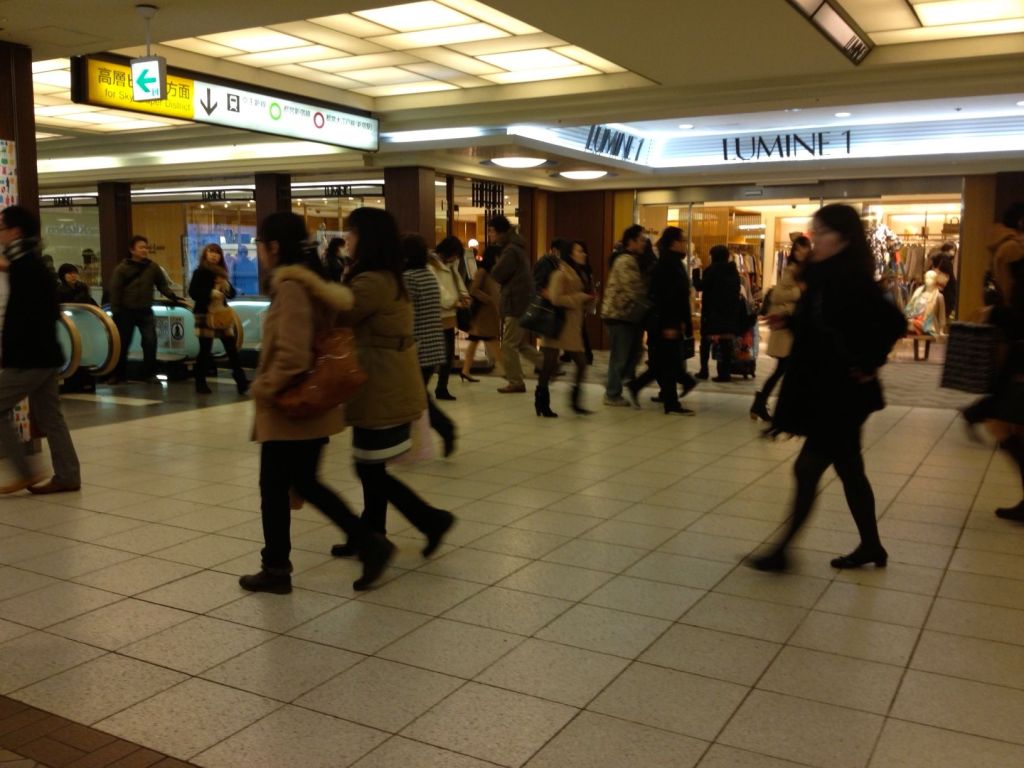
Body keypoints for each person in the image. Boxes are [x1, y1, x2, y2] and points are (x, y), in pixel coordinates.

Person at [241, 212, 393, 594]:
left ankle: (276, 568)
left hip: (290, 406)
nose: (259, 254)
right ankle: (369, 543)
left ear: (274, 247)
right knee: (306, 483)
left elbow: (292, 355)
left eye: (260, 246)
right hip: (314, 404)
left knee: (275, 491)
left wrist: (264, 386)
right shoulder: (317, 282)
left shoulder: (291, 288)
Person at [751, 203, 905, 572]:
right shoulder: (825, 277)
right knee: (850, 469)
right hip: (829, 390)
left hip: (840, 395)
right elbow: (827, 322)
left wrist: (869, 364)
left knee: (808, 468)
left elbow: (892, 322)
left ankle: (782, 551)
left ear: (842, 238)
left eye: (819, 232)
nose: (813, 238)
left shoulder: (849, 278)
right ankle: (871, 546)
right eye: (813, 231)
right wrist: (788, 319)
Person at [331, 207, 455, 560]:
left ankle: (429, 521)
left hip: (380, 383)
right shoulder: (385, 275)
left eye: (350, 233)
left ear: (364, 239)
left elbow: (340, 315)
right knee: (370, 464)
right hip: (384, 378)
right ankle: (373, 534)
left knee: (367, 466)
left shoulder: (371, 281)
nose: (346, 240)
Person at [0, 206, 81, 495]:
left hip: (30, 359)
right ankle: (68, 475)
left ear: (15, 231)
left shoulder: (26, 266)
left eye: (2, 227)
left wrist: (12, 354)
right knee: (51, 418)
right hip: (46, 354)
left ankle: (25, 472)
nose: (1, 233)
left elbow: (26, 317)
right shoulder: (33, 263)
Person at [627, 227, 697, 415]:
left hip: (667, 322)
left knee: (663, 363)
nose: (685, 244)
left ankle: (637, 387)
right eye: (682, 240)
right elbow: (667, 298)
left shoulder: (672, 263)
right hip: (665, 323)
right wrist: (671, 324)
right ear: (674, 243)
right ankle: (671, 402)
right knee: (670, 362)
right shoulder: (667, 265)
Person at [402, 233, 456, 457]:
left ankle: (444, 428)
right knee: (416, 396)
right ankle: (411, 441)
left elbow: (406, 315)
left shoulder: (409, 278)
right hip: (433, 346)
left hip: (417, 347)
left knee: (415, 398)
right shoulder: (428, 274)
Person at [750, 236, 809, 421]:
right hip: (787, 328)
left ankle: (761, 403)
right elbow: (776, 295)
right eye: (798, 249)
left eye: (804, 249)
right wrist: (800, 290)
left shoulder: (805, 271)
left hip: (795, 326)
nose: (801, 253)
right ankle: (763, 403)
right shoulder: (791, 270)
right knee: (784, 369)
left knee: (785, 369)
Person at [535, 240, 595, 418]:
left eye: (584, 251)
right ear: (570, 254)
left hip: (571, 327)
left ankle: (574, 401)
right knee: (549, 366)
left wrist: (589, 299)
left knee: (581, 363)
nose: (583, 254)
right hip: (558, 325)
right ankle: (542, 402)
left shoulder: (580, 273)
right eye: (579, 251)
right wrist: (580, 297)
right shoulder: (561, 273)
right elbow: (555, 298)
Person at [108, 235, 178, 384]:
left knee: (150, 341)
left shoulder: (153, 267)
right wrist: (115, 311)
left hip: (145, 310)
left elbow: (162, 285)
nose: (145, 250)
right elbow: (115, 290)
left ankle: (149, 373)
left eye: (146, 247)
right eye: (141, 247)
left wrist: (173, 296)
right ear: (132, 250)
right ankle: (118, 374)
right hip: (126, 311)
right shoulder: (122, 268)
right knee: (123, 343)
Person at [489, 215, 542, 393]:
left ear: (500, 232)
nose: (490, 235)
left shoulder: (510, 250)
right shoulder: (516, 247)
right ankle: (548, 364)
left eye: (491, 231)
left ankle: (516, 381)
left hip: (515, 302)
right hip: (521, 301)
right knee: (518, 343)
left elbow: (497, 273)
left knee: (508, 344)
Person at [188, 243, 249, 396]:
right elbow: (193, 292)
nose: (214, 255)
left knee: (231, 349)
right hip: (205, 314)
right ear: (205, 254)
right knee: (205, 350)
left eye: (217, 253)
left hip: (221, 315)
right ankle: (200, 382)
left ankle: (241, 382)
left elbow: (232, 294)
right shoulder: (199, 272)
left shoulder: (222, 274)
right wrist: (210, 292)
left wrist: (226, 286)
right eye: (211, 252)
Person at [601, 225, 649, 406]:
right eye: (641, 239)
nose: (644, 243)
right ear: (631, 241)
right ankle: (612, 393)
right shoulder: (625, 261)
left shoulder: (630, 259)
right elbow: (634, 290)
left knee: (634, 353)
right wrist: (649, 303)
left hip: (625, 316)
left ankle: (614, 384)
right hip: (619, 316)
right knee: (620, 357)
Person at [430, 236, 470, 401]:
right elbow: (437, 289)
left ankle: (442, 387)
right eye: (454, 255)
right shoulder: (431, 265)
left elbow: (458, 283)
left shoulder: (449, 266)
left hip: (450, 315)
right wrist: (453, 301)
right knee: (435, 354)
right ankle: (432, 388)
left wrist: (464, 296)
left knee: (447, 354)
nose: (455, 259)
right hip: (436, 315)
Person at [695, 245, 742, 382]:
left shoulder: (712, 270)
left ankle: (704, 370)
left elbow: (700, 286)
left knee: (706, 341)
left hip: (712, 313)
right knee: (725, 343)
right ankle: (724, 374)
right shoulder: (733, 271)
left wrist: (696, 273)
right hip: (729, 313)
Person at [461, 244, 503, 380]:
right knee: (492, 341)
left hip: (487, 314)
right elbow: (473, 290)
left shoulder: (491, 272)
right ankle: (507, 372)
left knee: (475, 342)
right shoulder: (483, 272)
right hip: (483, 315)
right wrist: (489, 299)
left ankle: (465, 371)